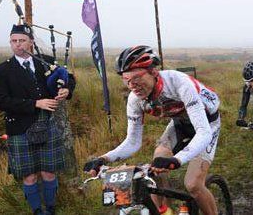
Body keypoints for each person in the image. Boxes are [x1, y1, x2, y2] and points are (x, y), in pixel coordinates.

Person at [84, 45, 221, 215]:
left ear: (154, 72)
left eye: (136, 78)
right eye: (125, 79)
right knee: (155, 167)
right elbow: (133, 142)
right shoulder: (135, 100)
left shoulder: (180, 83)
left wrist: (177, 160)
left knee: (193, 184)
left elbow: (203, 132)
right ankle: (164, 210)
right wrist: (103, 159)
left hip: (207, 124)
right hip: (179, 123)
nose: (131, 85)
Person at [0, 24, 75, 215]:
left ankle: (50, 208)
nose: (18, 45)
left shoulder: (44, 61)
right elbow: (1, 100)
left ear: (30, 42)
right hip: (20, 128)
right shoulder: (3, 69)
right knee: (29, 176)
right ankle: (37, 211)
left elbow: (68, 77)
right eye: (14, 41)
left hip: (46, 124)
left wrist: (67, 89)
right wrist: (35, 104)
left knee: (49, 172)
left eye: (22, 40)